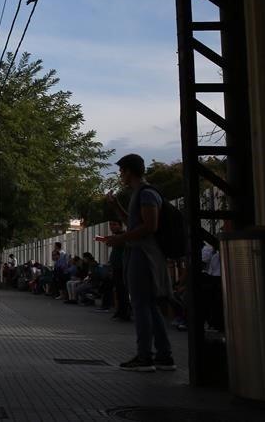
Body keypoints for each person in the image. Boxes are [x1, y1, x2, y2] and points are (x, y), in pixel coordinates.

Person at [99, 153, 174, 372]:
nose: (120, 175)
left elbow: (149, 227)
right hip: (143, 253)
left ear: (129, 171)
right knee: (149, 305)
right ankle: (164, 355)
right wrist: (116, 206)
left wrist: (119, 239)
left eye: (122, 171)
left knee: (141, 305)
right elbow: (134, 223)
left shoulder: (147, 194)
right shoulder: (139, 194)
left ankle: (145, 356)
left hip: (144, 255)